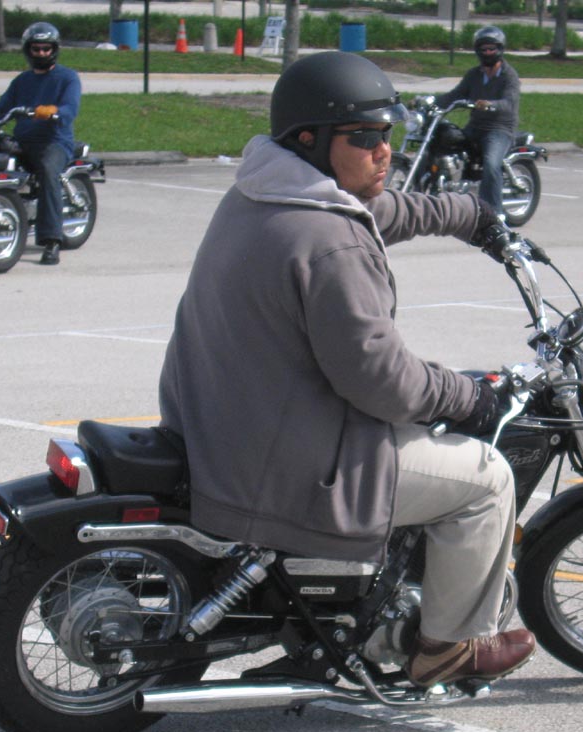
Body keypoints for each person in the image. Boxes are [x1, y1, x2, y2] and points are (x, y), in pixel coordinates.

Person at [158, 52, 536, 689]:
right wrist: (468, 396)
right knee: (486, 479)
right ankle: (447, 648)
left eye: (388, 134)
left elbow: (379, 214)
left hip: (224, 425)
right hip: (289, 462)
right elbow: (380, 379)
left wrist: (465, 212)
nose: (383, 151)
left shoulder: (265, 194)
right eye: (364, 138)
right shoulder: (329, 243)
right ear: (311, 140)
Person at [0, 21, 82, 266]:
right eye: (36, 48)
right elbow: (1, 108)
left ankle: (52, 240)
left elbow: (70, 108)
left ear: (54, 50)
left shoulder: (68, 78)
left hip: (54, 142)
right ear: (27, 50)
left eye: (46, 48)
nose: (41, 53)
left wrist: (54, 112)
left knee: (48, 171)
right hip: (23, 141)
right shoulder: (22, 81)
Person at [435, 25, 520, 219]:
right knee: (443, 144)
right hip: (475, 127)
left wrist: (491, 104)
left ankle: (494, 213)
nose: (487, 52)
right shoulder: (474, 75)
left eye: (491, 49)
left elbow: (509, 102)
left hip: (499, 129)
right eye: (484, 49)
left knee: (491, 164)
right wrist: (430, 101)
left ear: (500, 49)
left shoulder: (509, 75)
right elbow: (455, 95)